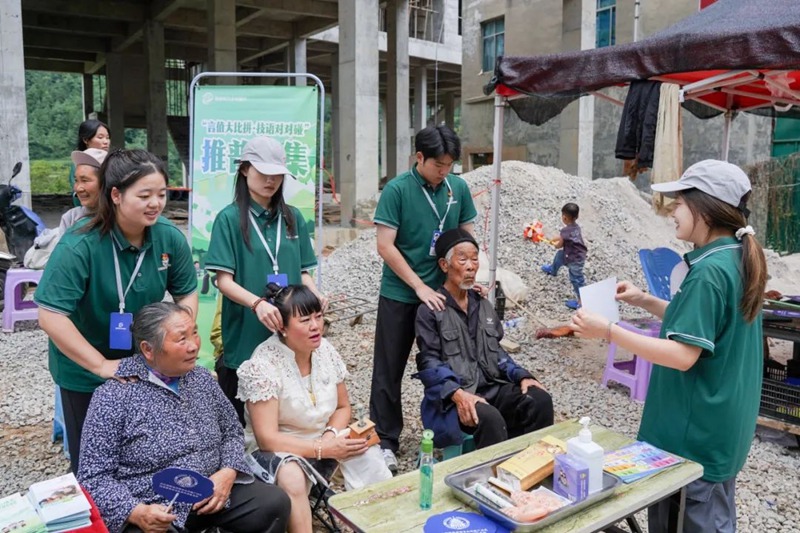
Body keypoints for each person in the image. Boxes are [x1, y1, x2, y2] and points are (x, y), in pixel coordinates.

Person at [570, 160, 767, 533]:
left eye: (679, 202)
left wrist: (609, 330)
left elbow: (682, 354)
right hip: (721, 431)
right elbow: (702, 323)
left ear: (705, 209)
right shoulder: (735, 257)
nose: (672, 211)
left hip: (693, 440)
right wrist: (645, 299)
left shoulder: (709, 272)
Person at [35, 149, 198, 473]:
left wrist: (177, 339)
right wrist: (102, 366)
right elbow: (50, 315)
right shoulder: (79, 245)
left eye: (162, 194)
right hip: (85, 373)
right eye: (145, 195)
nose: (156, 203)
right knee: (95, 465)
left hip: (147, 366)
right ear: (116, 195)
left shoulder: (168, 238)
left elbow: (187, 293)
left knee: (146, 456)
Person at [78, 302, 290, 533]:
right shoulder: (113, 396)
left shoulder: (201, 378)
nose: (194, 347)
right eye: (182, 339)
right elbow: (93, 477)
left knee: (272, 503)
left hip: (212, 491)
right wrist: (137, 512)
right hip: (154, 505)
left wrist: (228, 472)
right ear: (148, 349)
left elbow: (232, 431)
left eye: (195, 334)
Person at [238, 283, 391, 533]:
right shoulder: (263, 365)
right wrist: (323, 448)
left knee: (368, 453)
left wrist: (331, 436)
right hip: (277, 449)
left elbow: (343, 407)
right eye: (305, 320)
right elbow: (267, 439)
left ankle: (381, 525)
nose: (315, 326)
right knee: (292, 477)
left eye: (319, 317)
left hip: (322, 436)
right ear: (282, 327)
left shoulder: (325, 351)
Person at [370, 125, 478, 473]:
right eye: (438, 165)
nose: (444, 171)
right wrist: (418, 287)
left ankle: (449, 432)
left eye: (450, 164)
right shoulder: (397, 191)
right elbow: (385, 246)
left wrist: (469, 277)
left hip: (444, 295)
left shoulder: (457, 188)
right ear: (419, 158)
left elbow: (467, 238)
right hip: (402, 293)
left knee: (445, 364)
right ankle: (386, 439)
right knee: (389, 368)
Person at [205, 136, 323, 425]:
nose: (271, 181)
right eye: (263, 173)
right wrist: (257, 304)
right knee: (242, 421)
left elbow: (304, 271)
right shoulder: (229, 219)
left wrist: (315, 295)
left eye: (277, 175)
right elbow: (224, 280)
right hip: (246, 335)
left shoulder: (293, 217)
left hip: (289, 334)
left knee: (286, 414)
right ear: (245, 170)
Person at [415, 229, 554, 450]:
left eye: (474, 259)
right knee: (490, 418)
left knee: (539, 400)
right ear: (444, 265)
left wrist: (522, 376)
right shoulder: (430, 310)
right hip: (453, 398)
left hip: (492, 387)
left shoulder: (482, 304)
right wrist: (459, 395)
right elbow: (429, 363)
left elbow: (496, 351)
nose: (471, 266)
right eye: (463, 259)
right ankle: (491, 479)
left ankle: (530, 466)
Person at [541, 202, 587, 310]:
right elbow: (564, 237)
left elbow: (559, 245)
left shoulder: (565, 231)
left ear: (564, 218)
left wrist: (554, 243)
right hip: (574, 254)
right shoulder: (576, 227)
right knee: (559, 256)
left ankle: (582, 301)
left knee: (576, 279)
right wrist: (555, 238)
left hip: (575, 259)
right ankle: (553, 270)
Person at [60, 148, 108, 232]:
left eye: (85, 180)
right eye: (76, 180)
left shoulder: (122, 218)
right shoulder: (71, 218)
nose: (78, 188)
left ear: (106, 181)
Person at [69, 120, 110, 207]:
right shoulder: (79, 164)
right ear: (86, 140)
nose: (106, 141)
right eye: (100, 137)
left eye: (107, 137)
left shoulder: (111, 161)